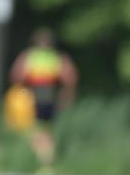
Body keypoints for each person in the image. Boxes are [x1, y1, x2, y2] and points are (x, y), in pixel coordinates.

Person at [9, 28, 78, 166]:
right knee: (45, 130)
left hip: (34, 98)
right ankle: (47, 159)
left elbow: (16, 76)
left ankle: (45, 159)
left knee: (34, 131)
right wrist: (66, 96)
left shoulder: (29, 57)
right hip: (50, 97)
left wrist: (21, 95)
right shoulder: (56, 57)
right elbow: (70, 78)